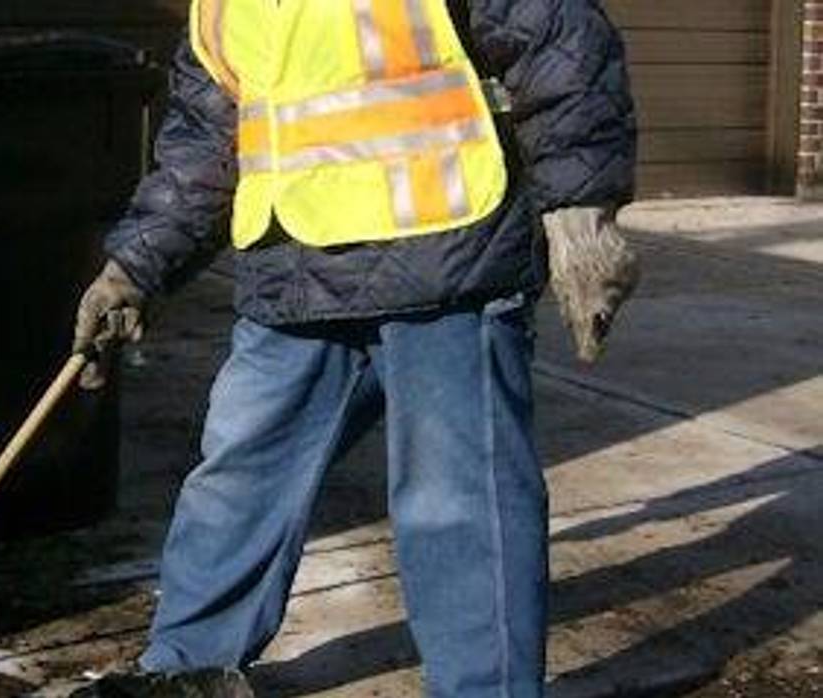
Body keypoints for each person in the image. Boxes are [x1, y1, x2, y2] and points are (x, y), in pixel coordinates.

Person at [72, 0, 639, 695]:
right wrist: (134, 267)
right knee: (238, 478)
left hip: (443, 256)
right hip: (289, 268)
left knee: (455, 499)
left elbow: (557, 36)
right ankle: (187, 670)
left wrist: (581, 211)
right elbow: (203, 141)